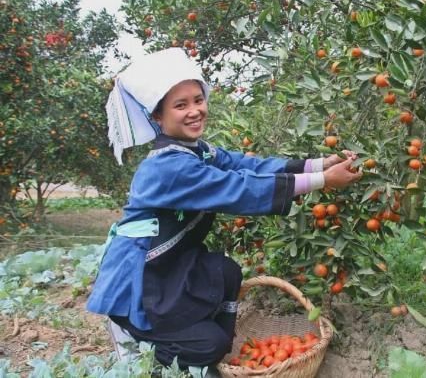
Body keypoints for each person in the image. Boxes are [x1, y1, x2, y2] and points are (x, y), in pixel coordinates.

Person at [86, 48, 362, 370]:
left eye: (197, 100)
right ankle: (142, 346)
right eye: (180, 105)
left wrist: (317, 165)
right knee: (209, 344)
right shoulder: (167, 168)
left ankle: (199, 350)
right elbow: (238, 189)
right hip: (141, 277)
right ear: (157, 117)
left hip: (169, 265)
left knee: (225, 272)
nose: (194, 111)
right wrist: (322, 180)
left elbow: (245, 165)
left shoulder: (195, 151)